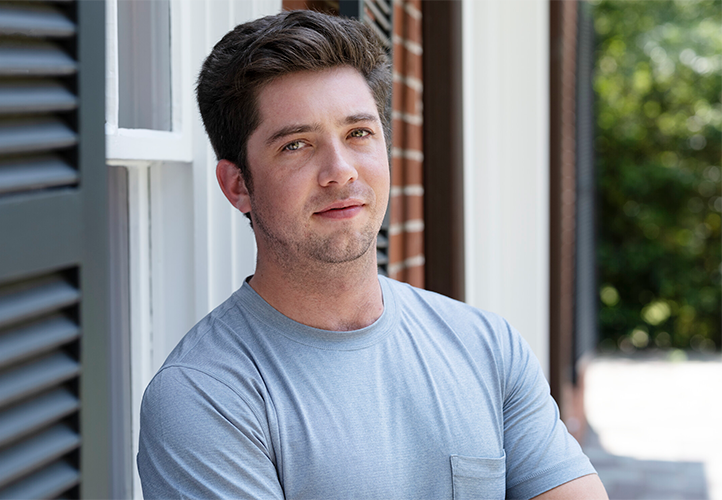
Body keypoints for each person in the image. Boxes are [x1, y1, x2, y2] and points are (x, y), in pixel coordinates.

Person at [137, 9, 609, 500]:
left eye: (358, 134)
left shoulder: (487, 348)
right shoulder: (204, 396)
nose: (340, 171)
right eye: (297, 145)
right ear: (238, 186)